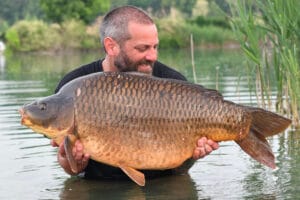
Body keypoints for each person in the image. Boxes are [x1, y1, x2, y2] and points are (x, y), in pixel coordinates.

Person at [52, 5, 219, 180]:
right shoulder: (74, 87)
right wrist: (73, 163)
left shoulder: (174, 85)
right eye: (142, 48)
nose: (152, 56)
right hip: (101, 187)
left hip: (162, 186)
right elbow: (70, 169)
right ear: (111, 46)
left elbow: (180, 171)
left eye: (155, 47)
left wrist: (193, 156)